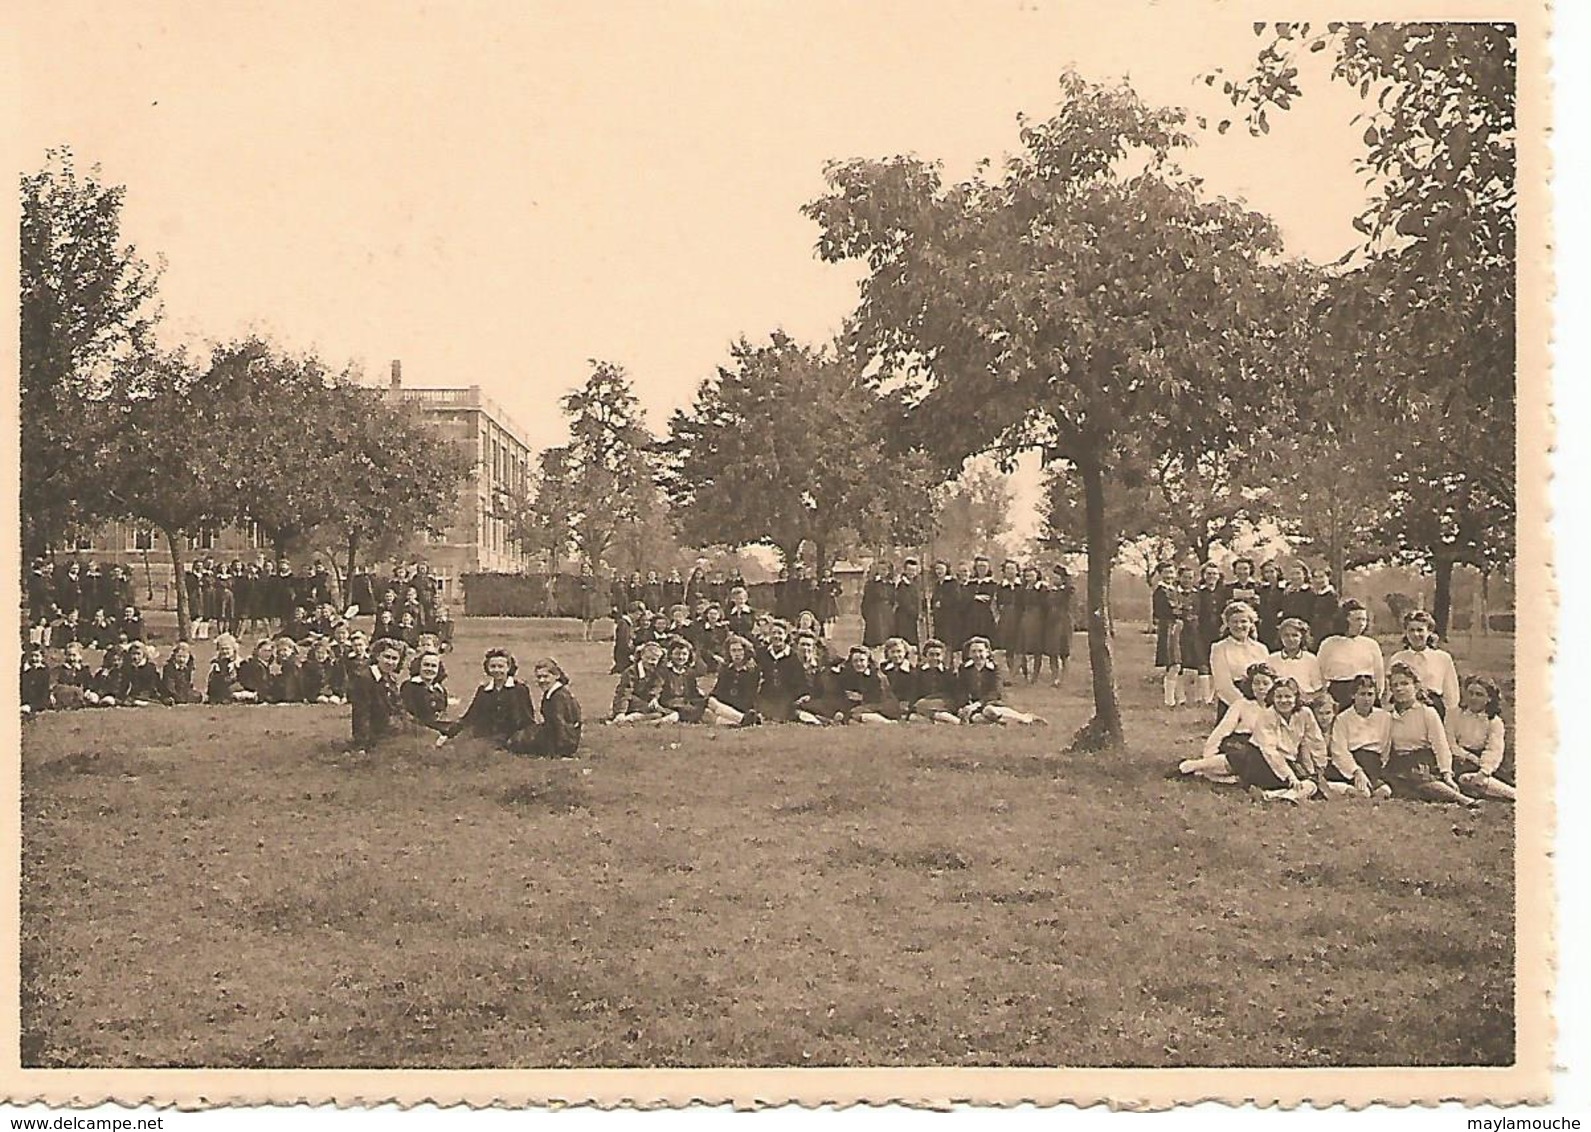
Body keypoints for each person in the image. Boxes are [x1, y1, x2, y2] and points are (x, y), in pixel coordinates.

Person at [1382, 662, 1476, 805]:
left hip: (1421, 761)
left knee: (1418, 779)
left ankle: (1462, 800)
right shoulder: (1388, 715)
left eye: (1404, 683)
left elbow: (1440, 746)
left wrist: (1447, 774)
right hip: (1397, 762)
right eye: (1395, 685)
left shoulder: (1427, 713)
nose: (1399, 689)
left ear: (1416, 686)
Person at [1172, 662, 1279, 784]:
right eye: (1256, 683)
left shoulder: (1277, 708)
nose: (1261, 687)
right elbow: (1222, 730)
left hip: (1262, 747)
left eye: (1265, 683)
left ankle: (1207, 772)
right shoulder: (1242, 704)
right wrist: (1209, 755)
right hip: (1238, 744)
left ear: (1274, 685)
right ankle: (1194, 766)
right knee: (1244, 755)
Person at [441, 648, 538, 743]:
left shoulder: (520, 689)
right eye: (493, 666)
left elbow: (527, 719)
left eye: (500, 666)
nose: (496, 670)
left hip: (511, 736)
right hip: (486, 735)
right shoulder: (483, 690)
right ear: (487, 668)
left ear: (508, 667)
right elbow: (469, 716)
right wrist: (448, 734)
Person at [1448, 675, 1515, 802]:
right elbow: (1449, 742)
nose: (1473, 698)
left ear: (1489, 698)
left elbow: (1493, 750)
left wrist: (1483, 772)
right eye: (1470, 693)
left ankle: (1513, 795)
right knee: (1462, 778)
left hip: (1483, 761)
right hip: (1458, 757)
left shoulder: (1494, 722)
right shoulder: (1453, 714)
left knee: (1473, 779)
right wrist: (1469, 757)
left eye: (1479, 694)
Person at [1326, 675, 1392, 798]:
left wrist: (1380, 767)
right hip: (1352, 762)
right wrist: (1356, 771)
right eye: (1362, 694)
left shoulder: (1384, 717)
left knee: (1385, 792)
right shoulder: (1343, 718)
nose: (1366, 699)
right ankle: (1337, 786)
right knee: (1363, 794)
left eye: (1370, 694)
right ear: (1353, 695)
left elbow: (1386, 746)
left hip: (1373, 763)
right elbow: (1339, 750)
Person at [1387, 610, 1461, 719]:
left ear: (1430, 631)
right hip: (1405, 710)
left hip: (1434, 709)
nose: (1415, 634)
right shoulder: (1398, 658)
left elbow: (1452, 696)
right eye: (1411, 630)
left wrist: (1450, 720)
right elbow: (1390, 693)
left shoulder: (1443, 658)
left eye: (1420, 630)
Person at [956, 637, 1045, 725]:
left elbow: (995, 692)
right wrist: (964, 706)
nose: (977, 655)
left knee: (989, 711)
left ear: (987, 652)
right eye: (974, 651)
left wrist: (977, 704)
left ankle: (1025, 718)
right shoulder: (964, 669)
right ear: (969, 654)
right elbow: (961, 690)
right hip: (974, 707)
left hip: (993, 703)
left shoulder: (994, 668)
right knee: (977, 719)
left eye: (980, 651)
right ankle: (1006, 721)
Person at [1318, 599, 1386, 711]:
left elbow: (1379, 675)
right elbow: (1320, 673)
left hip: (1365, 692)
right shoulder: (1329, 644)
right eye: (1357, 619)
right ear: (1345, 620)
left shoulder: (1371, 644)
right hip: (1339, 694)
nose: (1361, 624)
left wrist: (1375, 695)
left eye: (1364, 619)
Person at [507, 658, 584, 756]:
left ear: (556, 676)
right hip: (553, 733)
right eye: (539, 677)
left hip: (563, 739)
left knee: (517, 742)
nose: (542, 680)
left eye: (545, 677)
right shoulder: (552, 693)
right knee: (518, 737)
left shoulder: (559, 697)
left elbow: (561, 724)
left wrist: (562, 750)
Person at [1209, 601, 1269, 725]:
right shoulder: (1219, 648)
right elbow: (1223, 685)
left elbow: (1268, 678)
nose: (1239, 625)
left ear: (1251, 623)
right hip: (1232, 704)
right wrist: (1244, 708)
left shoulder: (1261, 648)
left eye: (1243, 621)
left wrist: (1262, 706)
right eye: (1234, 622)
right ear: (1227, 624)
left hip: (1260, 702)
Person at [349, 638, 407, 749]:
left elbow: (398, 707)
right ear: (377, 656)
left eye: (394, 658)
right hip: (376, 733)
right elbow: (361, 712)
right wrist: (361, 744)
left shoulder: (390, 679)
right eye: (386, 657)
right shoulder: (365, 678)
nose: (390, 662)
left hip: (393, 728)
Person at [831, 645, 901, 723]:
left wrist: (861, 700)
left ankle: (888, 722)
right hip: (863, 707)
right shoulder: (850, 676)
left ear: (868, 661)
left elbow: (878, 699)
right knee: (849, 718)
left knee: (855, 714)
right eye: (855, 661)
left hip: (883, 707)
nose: (858, 664)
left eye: (862, 660)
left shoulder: (877, 677)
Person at [705, 635, 763, 726]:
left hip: (742, 705)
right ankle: (741, 721)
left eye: (740, 650)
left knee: (712, 714)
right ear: (729, 652)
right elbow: (718, 690)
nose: (737, 654)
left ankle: (736, 720)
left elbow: (751, 694)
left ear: (745, 652)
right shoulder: (725, 669)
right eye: (733, 650)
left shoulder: (752, 670)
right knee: (708, 709)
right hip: (725, 705)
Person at [609, 640, 669, 724]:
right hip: (630, 701)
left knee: (659, 712)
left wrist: (653, 698)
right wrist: (621, 712)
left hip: (645, 701)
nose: (650, 662)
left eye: (654, 659)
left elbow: (657, 686)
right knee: (656, 711)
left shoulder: (657, 671)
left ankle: (637, 718)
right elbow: (624, 692)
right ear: (641, 656)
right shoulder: (631, 671)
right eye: (647, 658)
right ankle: (624, 718)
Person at [1151, 564, 1185, 708]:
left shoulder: (1174, 590)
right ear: (1160, 574)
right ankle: (1169, 700)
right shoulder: (1161, 592)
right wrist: (1182, 610)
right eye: (1166, 573)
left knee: (1177, 663)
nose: (1170, 575)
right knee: (1174, 663)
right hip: (1168, 627)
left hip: (1176, 626)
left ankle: (1179, 698)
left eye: (1172, 572)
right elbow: (1168, 610)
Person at [652, 638, 709, 724]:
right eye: (677, 654)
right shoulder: (664, 671)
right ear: (671, 655)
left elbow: (693, 692)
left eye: (684, 654)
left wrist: (703, 697)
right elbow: (657, 686)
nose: (681, 657)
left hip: (686, 702)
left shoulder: (689, 672)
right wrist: (654, 697)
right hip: (671, 704)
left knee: (706, 706)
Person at [1268, 617, 1324, 698]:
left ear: (1302, 637)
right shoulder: (1272, 659)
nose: (1290, 639)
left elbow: (1318, 688)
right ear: (1280, 637)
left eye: (1295, 635)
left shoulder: (1311, 659)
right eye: (1286, 635)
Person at [401, 651, 452, 735]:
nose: (429, 669)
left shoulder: (440, 689)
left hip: (438, 727)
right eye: (426, 665)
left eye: (434, 666)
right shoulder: (409, 686)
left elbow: (443, 714)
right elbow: (408, 715)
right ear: (419, 667)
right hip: (418, 729)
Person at [1015, 564, 1048, 682]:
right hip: (1025, 617)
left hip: (1038, 618)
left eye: (1031, 575)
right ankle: (1020, 673)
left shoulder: (1042, 588)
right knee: (1021, 646)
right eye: (1027, 576)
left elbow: (1046, 605)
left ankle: (1035, 675)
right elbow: (1019, 604)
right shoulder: (1023, 588)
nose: (1029, 578)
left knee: (1036, 648)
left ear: (1037, 575)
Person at [1041, 564, 1073, 687]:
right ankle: (1054, 677)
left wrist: (1067, 576)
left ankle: (1063, 679)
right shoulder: (1048, 591)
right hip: (1050, 622)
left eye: (1057, 577)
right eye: (1053, 576)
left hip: (1063, 621)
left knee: (1064, 651)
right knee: (1052, 651)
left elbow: (1070, 588)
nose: (1054, 579)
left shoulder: (1066, 590)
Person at [892, 559, 926, 647]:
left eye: (914, 570)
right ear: (905, 570)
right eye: (909, 570)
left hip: (913, 618)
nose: (912, 573)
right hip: (904, 617)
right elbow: (904, 602)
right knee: (905, 641)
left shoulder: (916, 584)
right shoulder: (902, 584)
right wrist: (916, 613)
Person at [21, 644, 52, 715]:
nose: (34, 659)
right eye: (32, 656)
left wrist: (31, 707)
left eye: (37, 656)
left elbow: (44, 694)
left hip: (38, 702)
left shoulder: (44, 672)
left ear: (42, 657)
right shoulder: (26, 671)